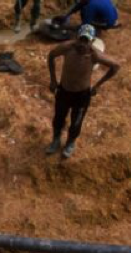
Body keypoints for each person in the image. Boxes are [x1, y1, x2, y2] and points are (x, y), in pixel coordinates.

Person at [47, 24, 120, 158]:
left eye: (86, 40)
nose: (82, 43)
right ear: (76, 37)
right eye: (81, 39)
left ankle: (70, 143)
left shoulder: (94, 55)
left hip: (81, 95)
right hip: (64, 91)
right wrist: (53, 80)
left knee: (76, 122)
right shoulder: (67, 48)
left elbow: (115, 66)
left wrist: (98, 85)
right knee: (58, 118)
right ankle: (56, 140)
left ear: (91, 41)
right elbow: (51, 55)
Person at [54, 0, 119, 32]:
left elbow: (85, 25)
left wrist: (67, 27)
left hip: (107, 23)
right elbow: (80, 4)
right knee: (84, 8)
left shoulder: (90, 7)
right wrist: (67, 15)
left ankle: (97, 29)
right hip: (114, 17)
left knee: (84, 16)